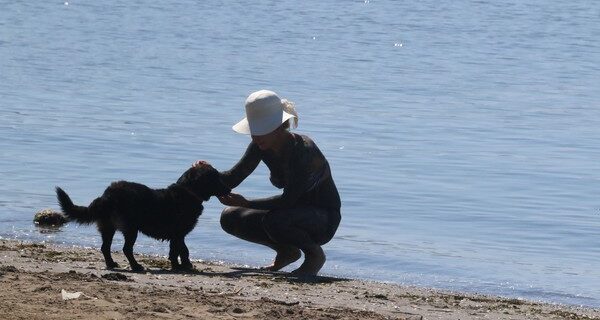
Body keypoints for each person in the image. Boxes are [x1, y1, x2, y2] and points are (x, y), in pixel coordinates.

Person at [194, 90, 341, 276]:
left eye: (262, 130)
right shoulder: (260, 146)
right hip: (290, 213)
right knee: (230, 217)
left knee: (275, 220)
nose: (256, 137)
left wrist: (246, 203)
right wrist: (206, 172)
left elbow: (288, 200)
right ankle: (287, 251)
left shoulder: (304, 150)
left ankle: (314, 255)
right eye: (253, 131)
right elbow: (231, 179)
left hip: (323, 219)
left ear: (280, 126)